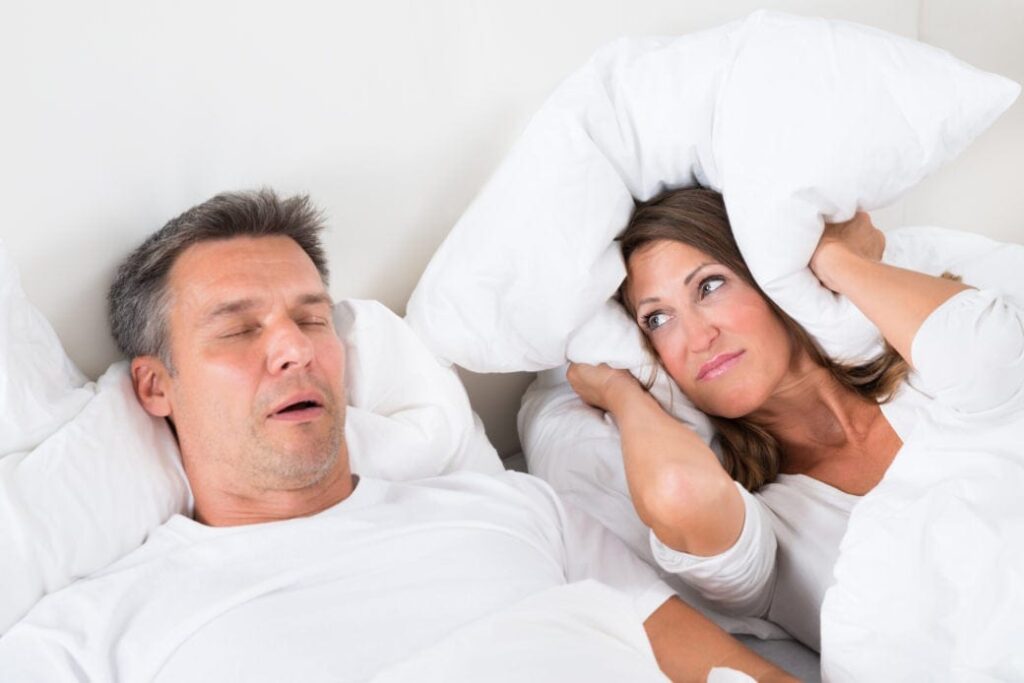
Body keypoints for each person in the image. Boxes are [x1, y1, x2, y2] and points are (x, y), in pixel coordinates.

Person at [0, 189, 794, 682]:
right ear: (155, 385)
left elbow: (731, 671)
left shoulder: (516, 511)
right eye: (239, 330)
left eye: (312, 318)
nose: (295, 347)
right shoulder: (91, 636)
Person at [566, 187, 1023, 651]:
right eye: (658, 320)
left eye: (709, 286)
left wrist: (830, 257)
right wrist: (621, 392)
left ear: (768, 280)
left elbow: (997, 357)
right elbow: (678, 492)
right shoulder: (763, 525)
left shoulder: (927, 372)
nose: (698, 338)